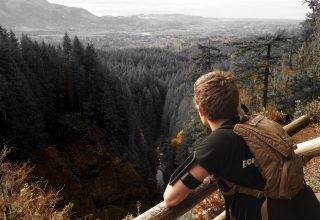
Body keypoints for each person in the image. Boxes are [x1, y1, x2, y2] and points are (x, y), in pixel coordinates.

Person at [163, 71, 320, 220]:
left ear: (201, 110)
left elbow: (171, 198)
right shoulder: (262, 123)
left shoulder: (217, 143)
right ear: (236, 101)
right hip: (308, 208)